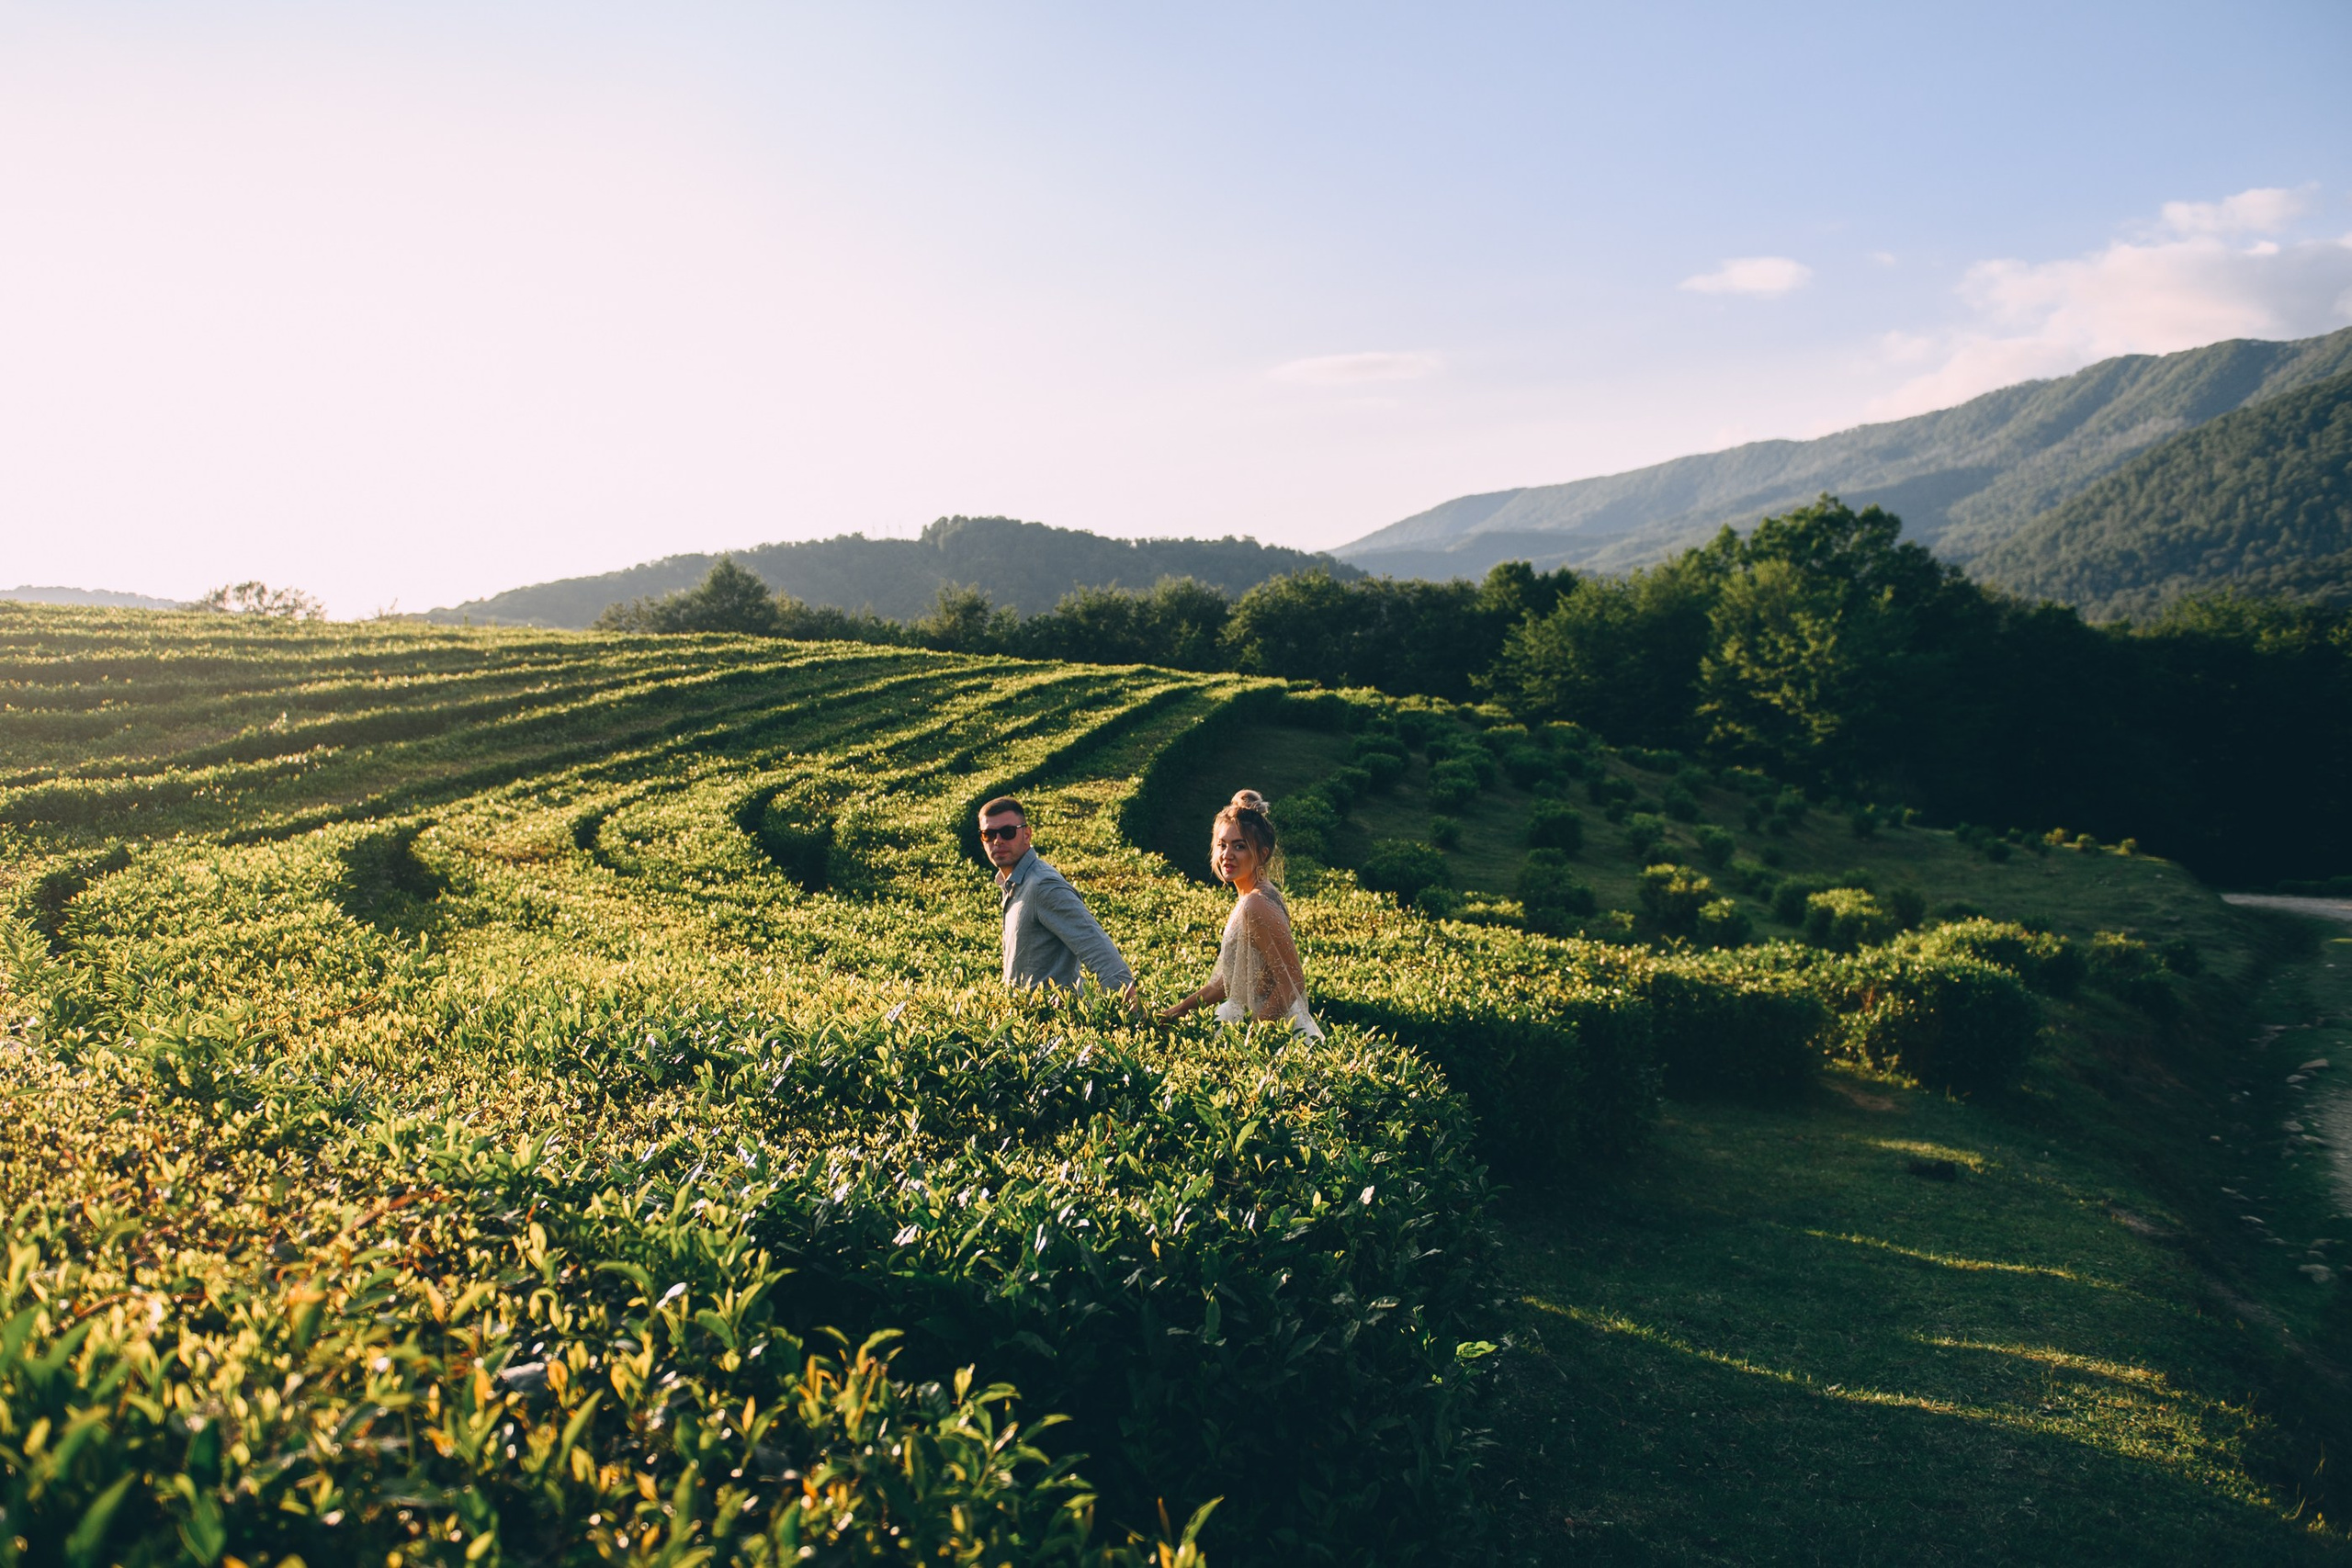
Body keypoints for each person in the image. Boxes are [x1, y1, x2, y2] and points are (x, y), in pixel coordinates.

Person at [1159, 790, 1323, 1036]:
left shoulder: (1256, 903)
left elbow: (1292, 981)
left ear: (1262, 854)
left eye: (1239, 846)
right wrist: (1175, 1012)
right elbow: (1225, 983)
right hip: (1247, 1021)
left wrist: (1252, 1036)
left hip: (1273, 1034)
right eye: (1222, 845)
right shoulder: (1251, 898)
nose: (1227, 855)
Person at [978, 795, 1140, 1006]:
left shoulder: (1043, 886)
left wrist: (1134, 1018)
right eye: (988, 834)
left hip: (1055, 1022)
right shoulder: (1015, 884)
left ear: (1027, 834)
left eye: (1008, 832)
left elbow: (1104, 956)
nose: (998, 841)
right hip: (1029, 1020)